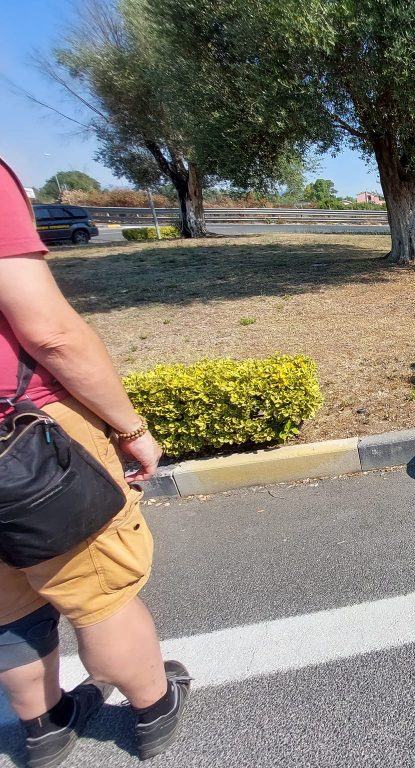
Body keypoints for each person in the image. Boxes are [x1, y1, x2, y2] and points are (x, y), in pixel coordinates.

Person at [0, 158, 192, 765]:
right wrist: (131, 426)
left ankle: (46, 727)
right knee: (98, 591)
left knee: (6, 608)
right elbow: (51, 332)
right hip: (24, 442)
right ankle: (154, 709)